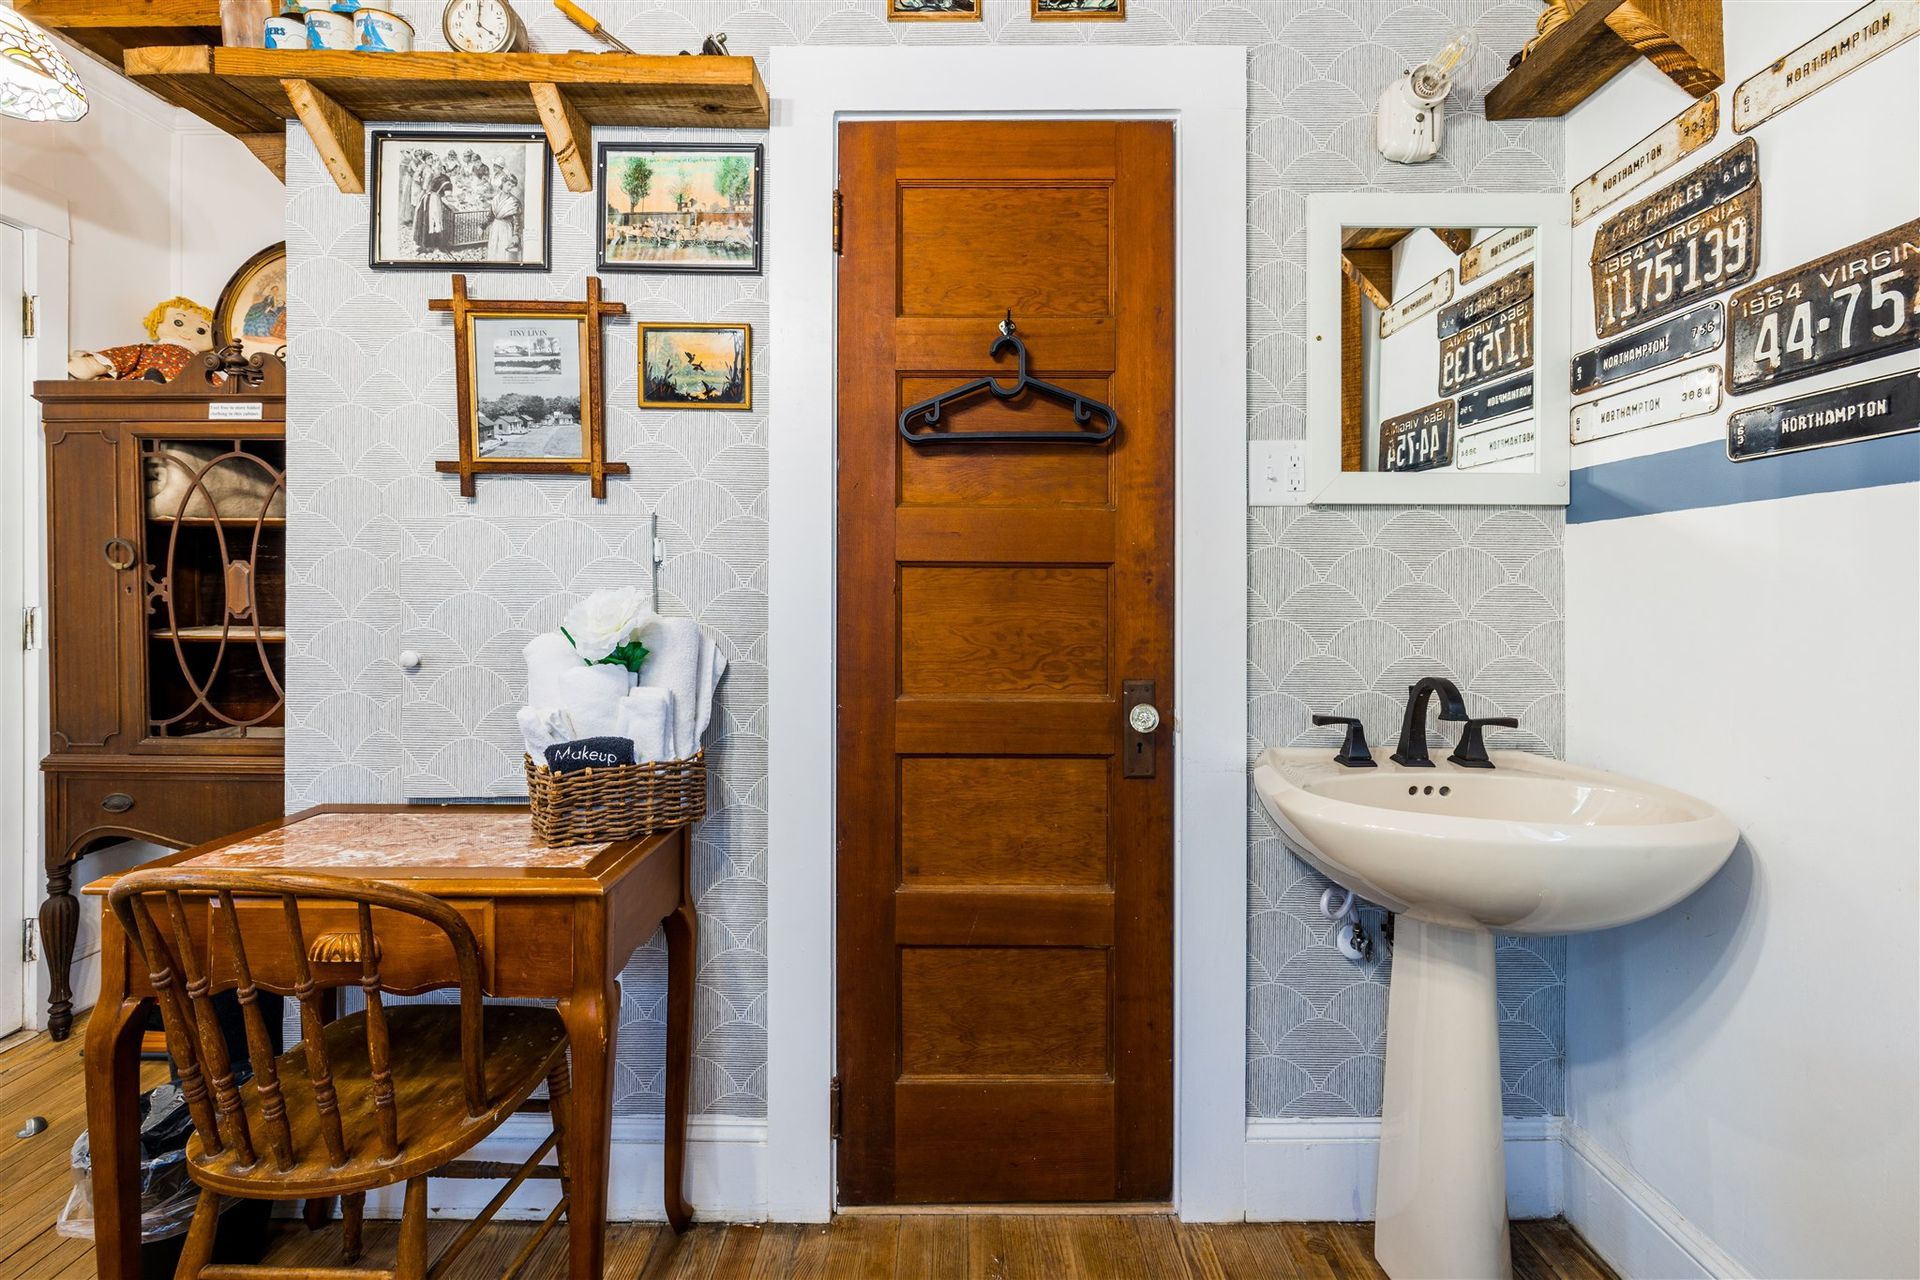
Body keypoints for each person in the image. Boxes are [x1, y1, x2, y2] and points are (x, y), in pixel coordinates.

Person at [487, 172, 521, 260]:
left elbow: (516, 220)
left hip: (505, 228)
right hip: (495, 227)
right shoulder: (496, 198)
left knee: (503, 252)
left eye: (512, 186)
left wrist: (516, 234)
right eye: (508, 184)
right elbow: (491, 215)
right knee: (493, 250)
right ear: (503, 183)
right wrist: (482, 226)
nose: (510, 188)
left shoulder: (514, 202)